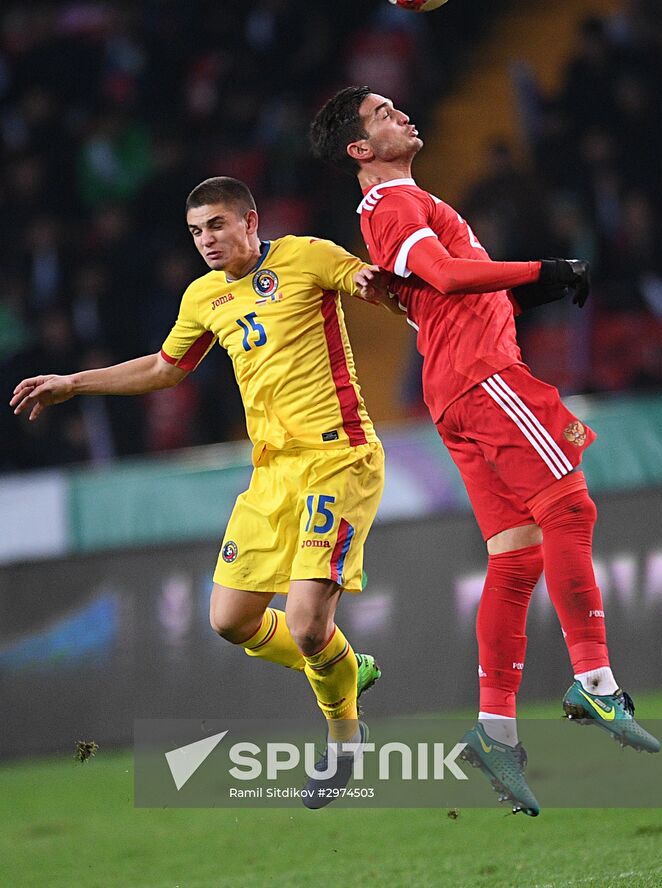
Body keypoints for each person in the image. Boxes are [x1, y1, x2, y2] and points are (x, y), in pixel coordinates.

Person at [310, 87, 660, 817]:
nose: (401, 114)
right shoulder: (394, 204)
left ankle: (494, 731)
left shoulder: (396, 209)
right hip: (484, 379)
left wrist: (535, 290)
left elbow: (449, 296)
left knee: (516, 555)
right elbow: (446, 278)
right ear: (359, 149)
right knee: (570, 507)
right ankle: (594, 684)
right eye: (381, 114)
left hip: (457, 389)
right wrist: (545, 269)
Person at [10, 175, 387, 808]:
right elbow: (164, 369)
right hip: (270, 473)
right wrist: (75, 382)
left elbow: (375, 286)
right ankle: (344, 664)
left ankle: (344, 740)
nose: (205, 241)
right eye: (195, 232)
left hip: (337, 459)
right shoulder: (204, 296)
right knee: (230, 620)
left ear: (249, 221)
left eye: (215, 225)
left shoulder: (308, 256)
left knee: (304, 620)